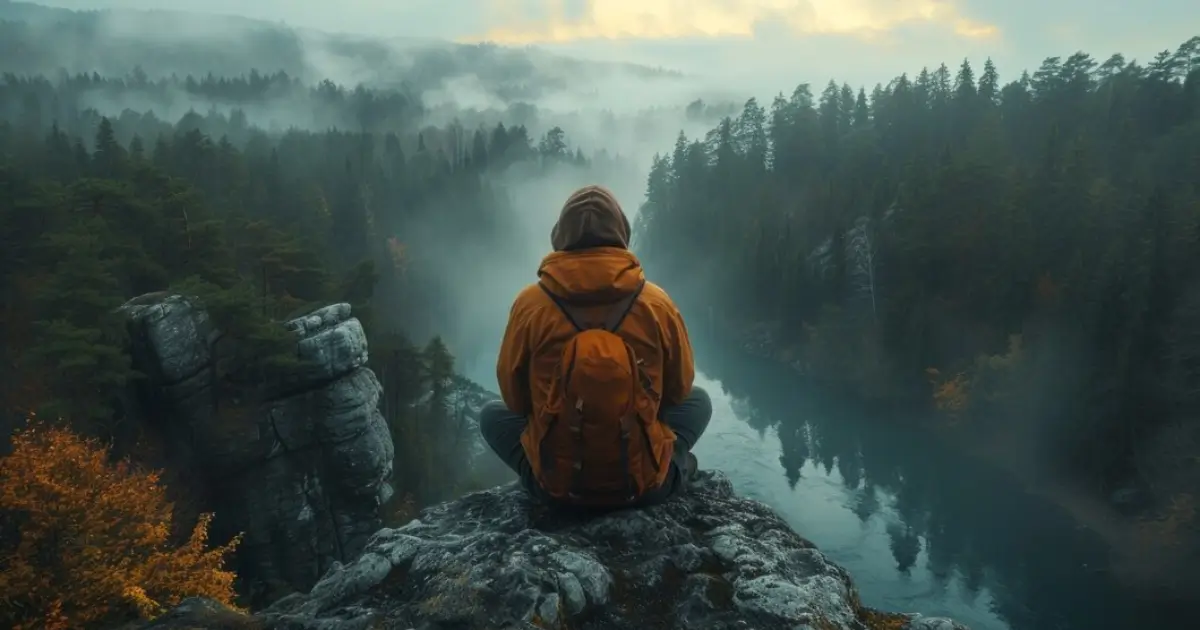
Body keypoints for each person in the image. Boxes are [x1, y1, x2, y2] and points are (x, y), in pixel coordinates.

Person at [479, 184, 712, 509]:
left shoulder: (530, 305)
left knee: (491, 414)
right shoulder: (656, 304)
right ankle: (673, 466)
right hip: (642, 486)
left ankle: (542, 479)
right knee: (698, 401)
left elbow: (515, 401)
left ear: (559, 236)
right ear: (622, 235)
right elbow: (678, 390)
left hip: (558, 490)